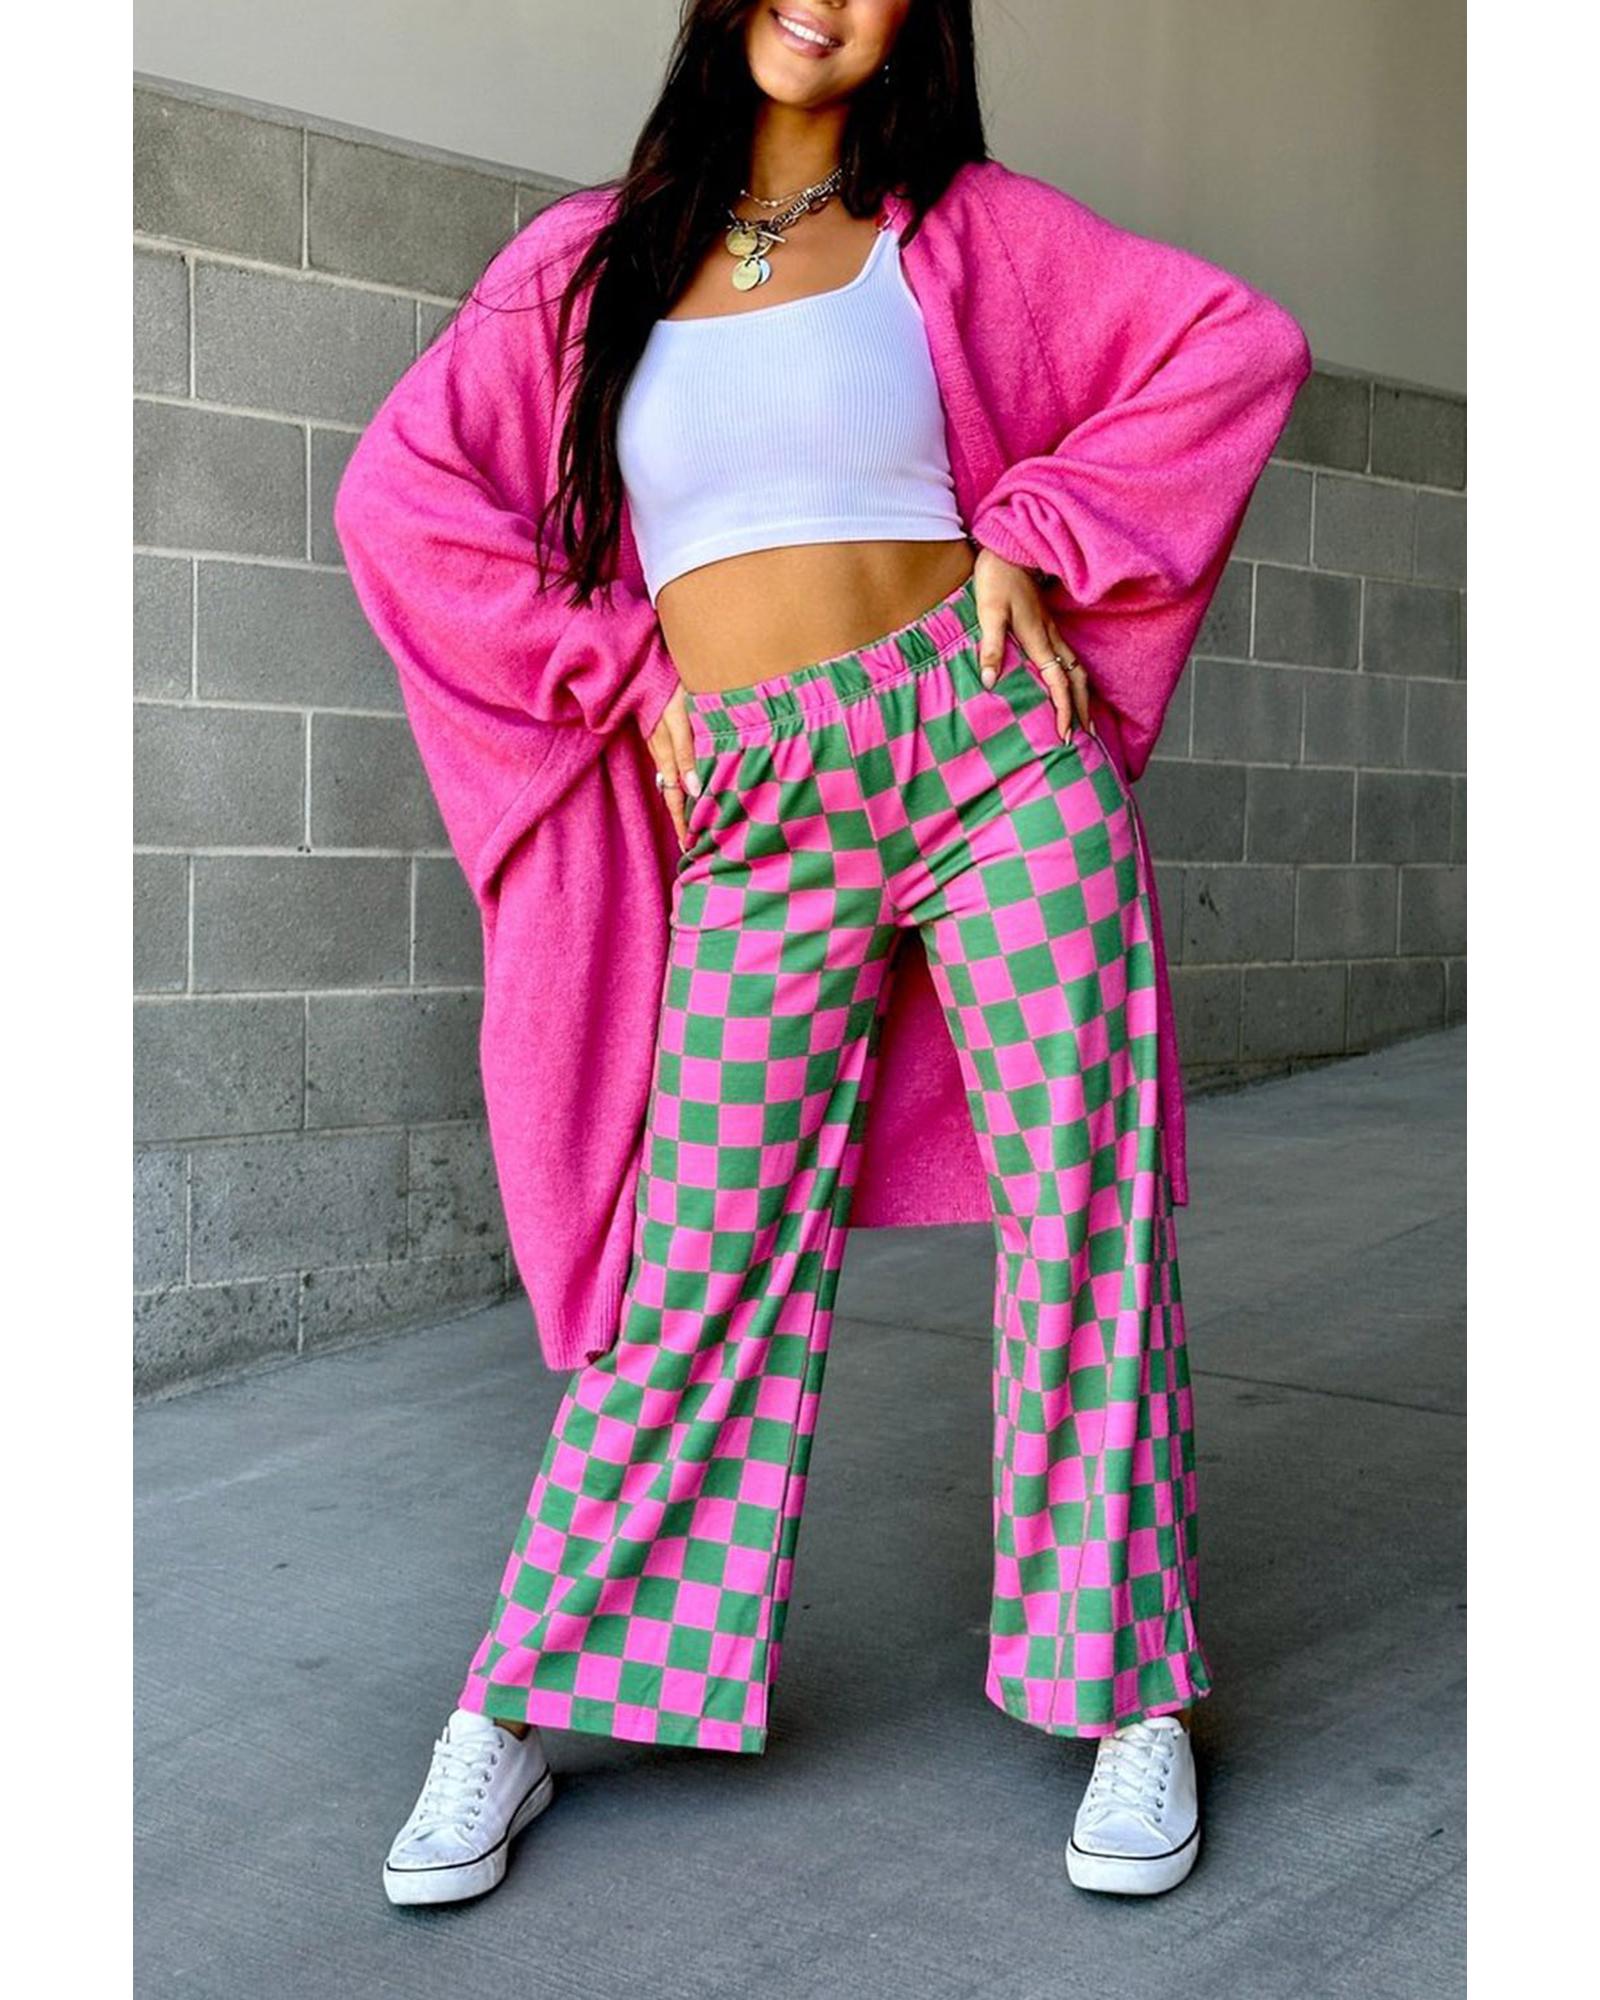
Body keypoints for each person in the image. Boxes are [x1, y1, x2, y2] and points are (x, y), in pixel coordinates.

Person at [334, 0, 1311, 1912]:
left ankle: (1127, 1692)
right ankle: (525, 1695)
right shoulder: (587, 263)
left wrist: (1037, 526)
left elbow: (1236, 344)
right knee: (695, 1256)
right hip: (759, 798)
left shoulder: (971, 229)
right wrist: (617, 674)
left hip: (993, 750)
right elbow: (400, 500)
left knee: (1086, 1210)